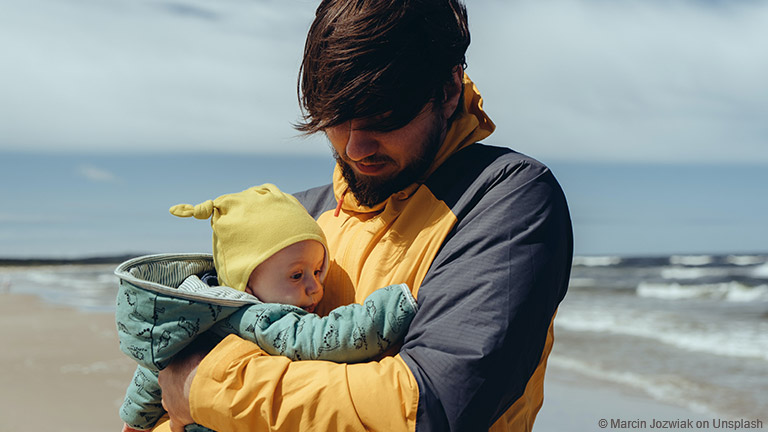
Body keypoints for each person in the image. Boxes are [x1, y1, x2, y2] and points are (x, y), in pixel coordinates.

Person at [155, 0, 573, 430]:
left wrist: (207, 387)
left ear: (447, 91)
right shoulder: (298, 219)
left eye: (383, 117)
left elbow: (429, 407)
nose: (354, 149)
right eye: (335, 119)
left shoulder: (505, 198)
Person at [115, 184, 416, 431]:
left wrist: (135, 421)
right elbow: (328, 338)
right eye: (296, 276)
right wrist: (394, 306)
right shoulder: (261, 318)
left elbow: (152, 372)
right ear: (246, 285)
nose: (315, 287)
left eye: (318, 270)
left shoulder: (196, 312)